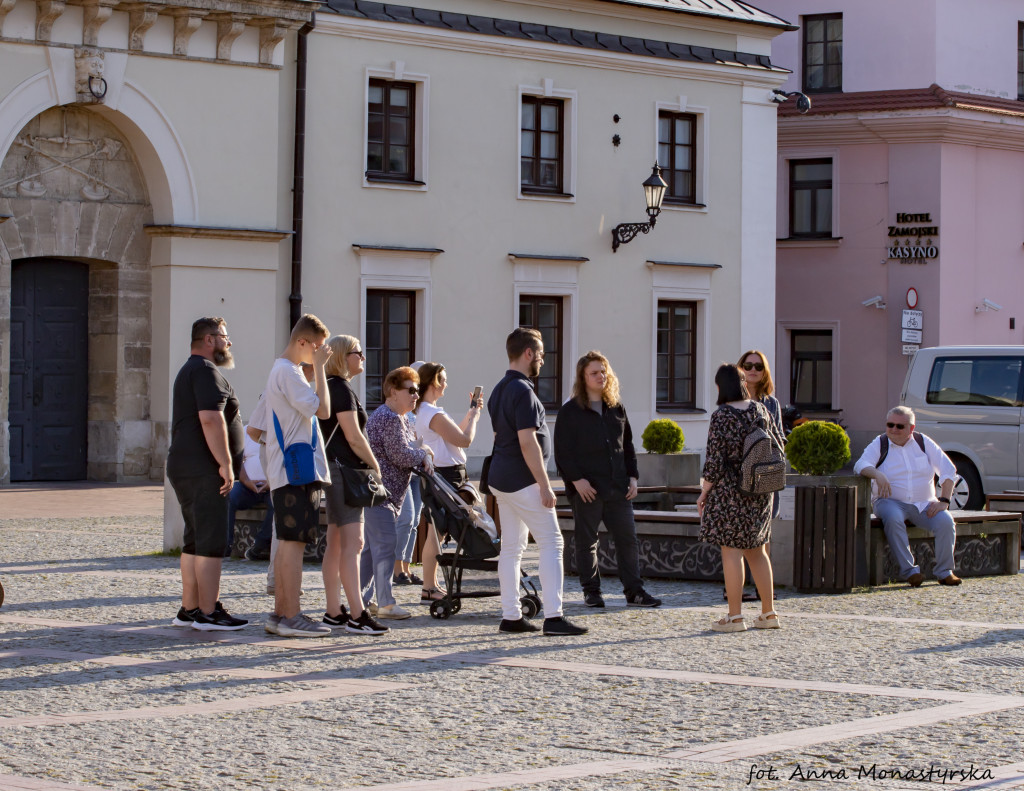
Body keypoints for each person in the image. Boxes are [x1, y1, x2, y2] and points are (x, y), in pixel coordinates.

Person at [487, 328, 588, 636]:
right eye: (541, 354)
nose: (543, 360)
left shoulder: (499, 389)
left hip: (502, 478)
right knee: (551, 542)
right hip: (524, 479)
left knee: (511, 548)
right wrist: (544, 484)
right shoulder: (523, 391)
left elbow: (498, 436)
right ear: (528, 353)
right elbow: (527, 441)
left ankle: (511, 616)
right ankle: (554, 617)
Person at [554, 351, 661, 609]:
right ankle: (592, 592)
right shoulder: (570, 412)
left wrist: (633, 476)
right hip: (588, 489)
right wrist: (577, 480)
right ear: (583, 377)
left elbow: (627, 446)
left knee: (627, 540)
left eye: (603, 371)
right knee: (587, 542)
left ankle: (634, 592)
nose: (600, 376)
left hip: (618, 488)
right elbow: (562, 452)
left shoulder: (616, 407)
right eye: (594, 372)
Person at [167, 317, 248, 631]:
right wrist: (226, 464)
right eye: (225, 337)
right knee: (211, 540)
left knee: (195, 540)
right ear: (210, 339)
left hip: (187, 466)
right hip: (204, 468)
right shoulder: (205, 371)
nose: (229, 343)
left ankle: (190, 609)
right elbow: (212, 420)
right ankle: (208, 611)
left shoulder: (190, 370)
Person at [259, 314, 334, 638]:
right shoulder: (288, 372)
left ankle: (280, 613)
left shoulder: (281, 371)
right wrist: (319, 368)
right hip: (295, 472)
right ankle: (291, 616)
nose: (319, 353)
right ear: (302, 342)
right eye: (316, 347)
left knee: (291, 542)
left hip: (289, 470)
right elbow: (323, 410)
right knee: (293, 543)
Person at [697, 364, 780, 633]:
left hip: (730, 490)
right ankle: (769, 614)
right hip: (760, 488)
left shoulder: (722, 415)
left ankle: (735, 617)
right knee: (757, 551)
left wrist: (704, 491)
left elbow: (715, 460)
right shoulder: (761, 409)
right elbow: (779, 444)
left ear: (720, 386)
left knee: (731, 551)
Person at [318, 335, 389, 634]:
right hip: (346, 472)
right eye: (358, 353)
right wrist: (375, 465)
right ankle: (357, 614)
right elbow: (353, 436)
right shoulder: (341, 389)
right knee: (354, 543)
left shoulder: (331, 387)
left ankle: (334, 610)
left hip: (334, 470)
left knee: (336, 543)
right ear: (344, 356)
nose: (363, 358)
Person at [854, 406, 961, 587]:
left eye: (899, 426)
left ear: (911, 428)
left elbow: (948, 470)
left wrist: (944, 501)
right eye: (890, 425)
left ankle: (945, 572)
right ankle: (910, 572)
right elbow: (860, 465)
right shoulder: (880, 443)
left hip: (924, 504)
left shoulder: (923, 442)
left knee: (946, 521)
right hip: (889, 502)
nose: (894, 429)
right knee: (894, 518)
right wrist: (878, 474)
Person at [361, 366, 434, 619]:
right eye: (411, 390)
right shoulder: (390, 417)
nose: (416, 396)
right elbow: (400, 455)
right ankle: (386, 604)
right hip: (380, 494)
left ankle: (362, 600)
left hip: (385, 494)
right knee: (384, 548)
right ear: (393, 391)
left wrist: (420, 450)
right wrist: (423, 454)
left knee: (372, 550)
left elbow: (404, 449)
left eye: (418, 391)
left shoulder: (399, 417)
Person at [413, 360, 483, 603]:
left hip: (440, 471)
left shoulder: (422, 410)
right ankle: (429, 586)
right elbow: (464, 441)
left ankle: (430, 585)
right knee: (437, 531)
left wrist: (470, 414)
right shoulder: (433, 412)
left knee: (437, 530)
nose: (446, 384)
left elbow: (453, 439)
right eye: (442, 379)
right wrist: (474, 416)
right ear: (433, 382)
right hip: (447, 474)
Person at [731, 349, 786, 602]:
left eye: (758, 366)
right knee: (736, 533)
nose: (753, 370)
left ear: (764, 372)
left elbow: (779, 439)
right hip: (737, 476)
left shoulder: (770, 403)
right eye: (747, 365)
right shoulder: (729, 400)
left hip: (764, 477)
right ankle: (734, 588)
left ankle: (762, 591)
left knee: (762, 535)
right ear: (740, 369)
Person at [393, 361, 427, 589]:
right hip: (405, 471)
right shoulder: (400, 414)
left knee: (414, 521)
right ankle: (397, 569)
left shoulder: (419, 412)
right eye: (413, 389)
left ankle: (406, 566)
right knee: (405, 519)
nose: (416, 393)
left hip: (418, 472)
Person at [225, 425, 273, 561]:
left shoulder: (281, 430)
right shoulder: (247, 431)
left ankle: (258, 546)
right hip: (247, 485)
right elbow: (238, 460)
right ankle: (225, 546)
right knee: (228, 496)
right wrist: (246, 480)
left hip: (273, 485)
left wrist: (270, 482)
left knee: (278, 504)